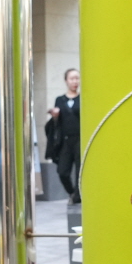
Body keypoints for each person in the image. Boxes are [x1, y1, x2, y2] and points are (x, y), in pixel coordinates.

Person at [47, 68, 82, 202]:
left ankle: (78, 198)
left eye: (77, 78)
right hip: (65, 141)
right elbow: (57, 123)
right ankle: (72, 192)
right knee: (62, 172)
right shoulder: (60, 100)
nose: (75, 81)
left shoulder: (82, 98)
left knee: (80, 171)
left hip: (79, 139)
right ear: (66, 81)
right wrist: (55, 116)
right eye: (72, 78)